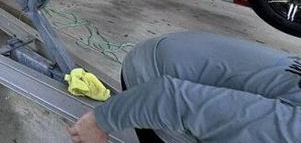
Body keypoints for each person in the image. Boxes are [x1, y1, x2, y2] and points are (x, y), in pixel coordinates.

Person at [67, 31, 301, 143]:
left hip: (195, 53)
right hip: (155, 70)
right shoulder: (288, 130)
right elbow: (170, 99)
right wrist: (99, 122)